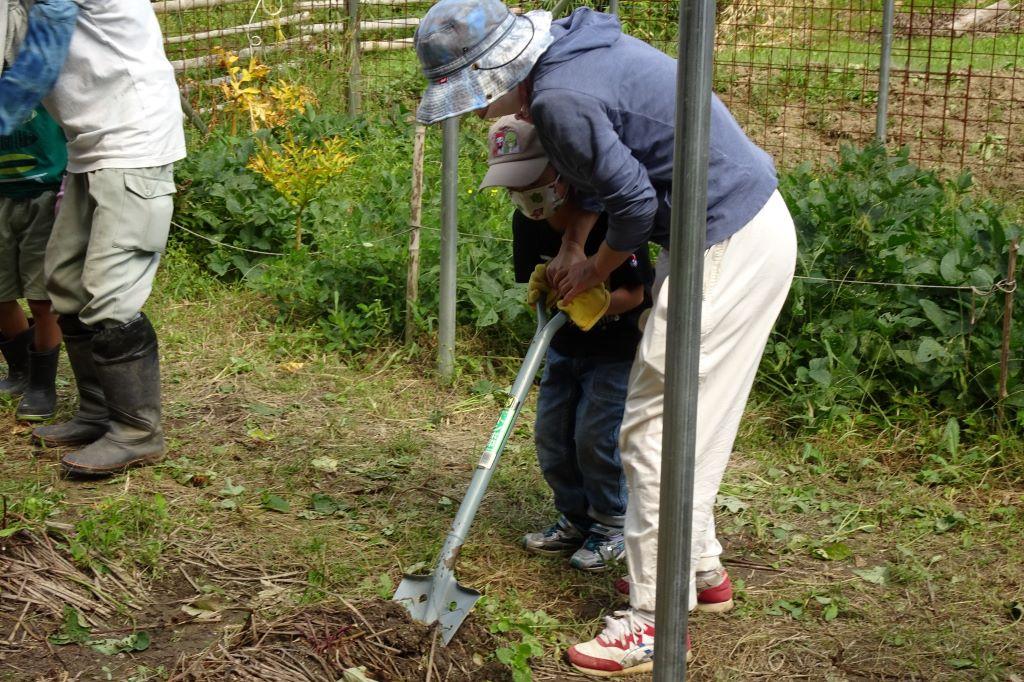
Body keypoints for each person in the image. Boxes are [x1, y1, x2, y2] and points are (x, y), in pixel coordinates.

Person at [414, 1, 797, 675]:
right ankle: (699, 572)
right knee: (683, 418)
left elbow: (635, 204)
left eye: (473, 95)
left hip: (728, 236)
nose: (478, 113)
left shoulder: (559, 96)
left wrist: (595, 267)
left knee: (653, 430)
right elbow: (608, 168)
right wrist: (570, 239)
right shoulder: (570, 62)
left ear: (497, 69)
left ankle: (653, 620)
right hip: (724, 226)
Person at [0, 0, 186, 476]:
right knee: (64, 282)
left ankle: (137, 432)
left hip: (132, 140)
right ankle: (98, 412)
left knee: (110, 292)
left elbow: (38, 60)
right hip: (87, 145)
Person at [482, 115, 653, 572]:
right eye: (513, 187)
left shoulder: (610, 222)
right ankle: (575, 518)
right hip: (562, 349)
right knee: (553, 438)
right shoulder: (528, 225)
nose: (525, 195)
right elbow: (540, 283)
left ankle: (612, 523)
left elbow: (636, 293)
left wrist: (595, 301)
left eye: (532, 181)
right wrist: (547, 293)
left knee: (594, 438)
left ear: (561, 171)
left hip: (613, 354)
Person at [0, 105, 65, 422]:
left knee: (42, 298)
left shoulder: (42, 64)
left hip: (43, 193)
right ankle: (21, 370)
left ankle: (43, 384)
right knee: (1, 296)